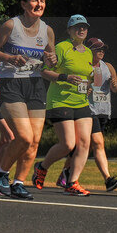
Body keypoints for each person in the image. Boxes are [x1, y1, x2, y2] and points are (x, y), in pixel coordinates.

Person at [0, 0, 56, 200]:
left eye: (42, 1)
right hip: (11, 84)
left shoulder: (47, 30)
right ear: (24, 4)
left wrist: (51, 61)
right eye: (34, 0)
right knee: (24, 136)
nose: (39, 4)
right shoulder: (11, 25)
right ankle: (0, 173)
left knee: (34, 140)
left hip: (35, 85)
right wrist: (9, 58)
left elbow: (50, 57)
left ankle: (18, 183)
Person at [33, 15, 94, 196]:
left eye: (84, 27)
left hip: (81, 101)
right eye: (77, 27)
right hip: (59, 101)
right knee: (68, 144)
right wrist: (65, 77)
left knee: (84, 143)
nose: (81, 30)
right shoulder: (61, 47)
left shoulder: (89, 52)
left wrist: (87, 87)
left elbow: (87, 77)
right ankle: (42, 167)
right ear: (69, 30)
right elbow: (44, 71)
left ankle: (72, 182)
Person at [85, 37, 117, 192]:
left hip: (103, 110)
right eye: (97, 49)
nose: (101, 51)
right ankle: (108, 179)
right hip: (88, 109)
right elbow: (77, 87)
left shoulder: (108, 66)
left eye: (103, 49)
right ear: (89, 50)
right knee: (98, 143)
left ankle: (64, 174)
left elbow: (116, 88)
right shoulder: (84, 66)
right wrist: (85, 88)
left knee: (86, 147)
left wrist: (115, 85)